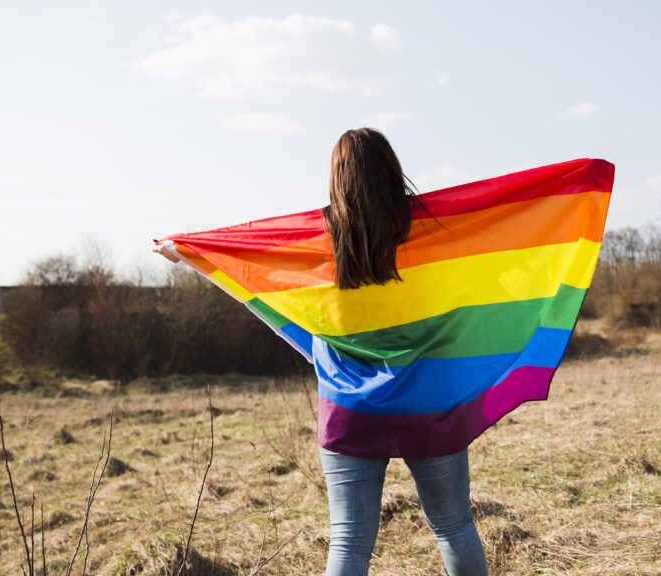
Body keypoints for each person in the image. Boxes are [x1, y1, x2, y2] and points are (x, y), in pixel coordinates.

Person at [154, 128, 489, 575]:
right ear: (392, 171)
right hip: (429, 403)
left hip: (350, 408)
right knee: (453, 525)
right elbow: (494, 242)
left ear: (337, 179)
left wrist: (188, 250)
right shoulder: (430, 230)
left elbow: (253, 252)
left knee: (349, 541)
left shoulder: (316, 239)